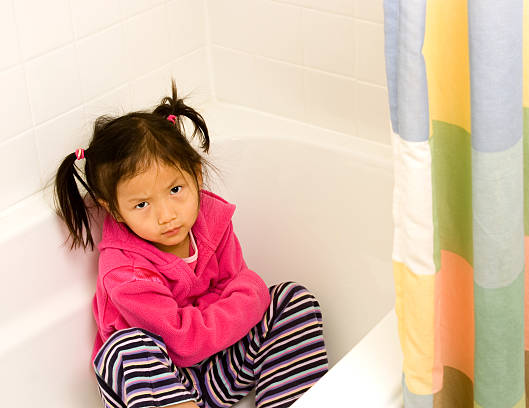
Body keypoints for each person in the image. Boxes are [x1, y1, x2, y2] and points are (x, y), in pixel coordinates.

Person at [53, 80, 329, 408]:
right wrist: (248, 292)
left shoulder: (213, 221)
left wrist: (246, 293)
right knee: (126, 349)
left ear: (195, 175)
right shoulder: (125, 270)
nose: (167, 215)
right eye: (142, 205)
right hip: (161, 385)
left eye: (175, 191)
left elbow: (236, 287)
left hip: (219, 370)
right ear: (115, 210)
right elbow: (183, 340)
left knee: (291, 300)